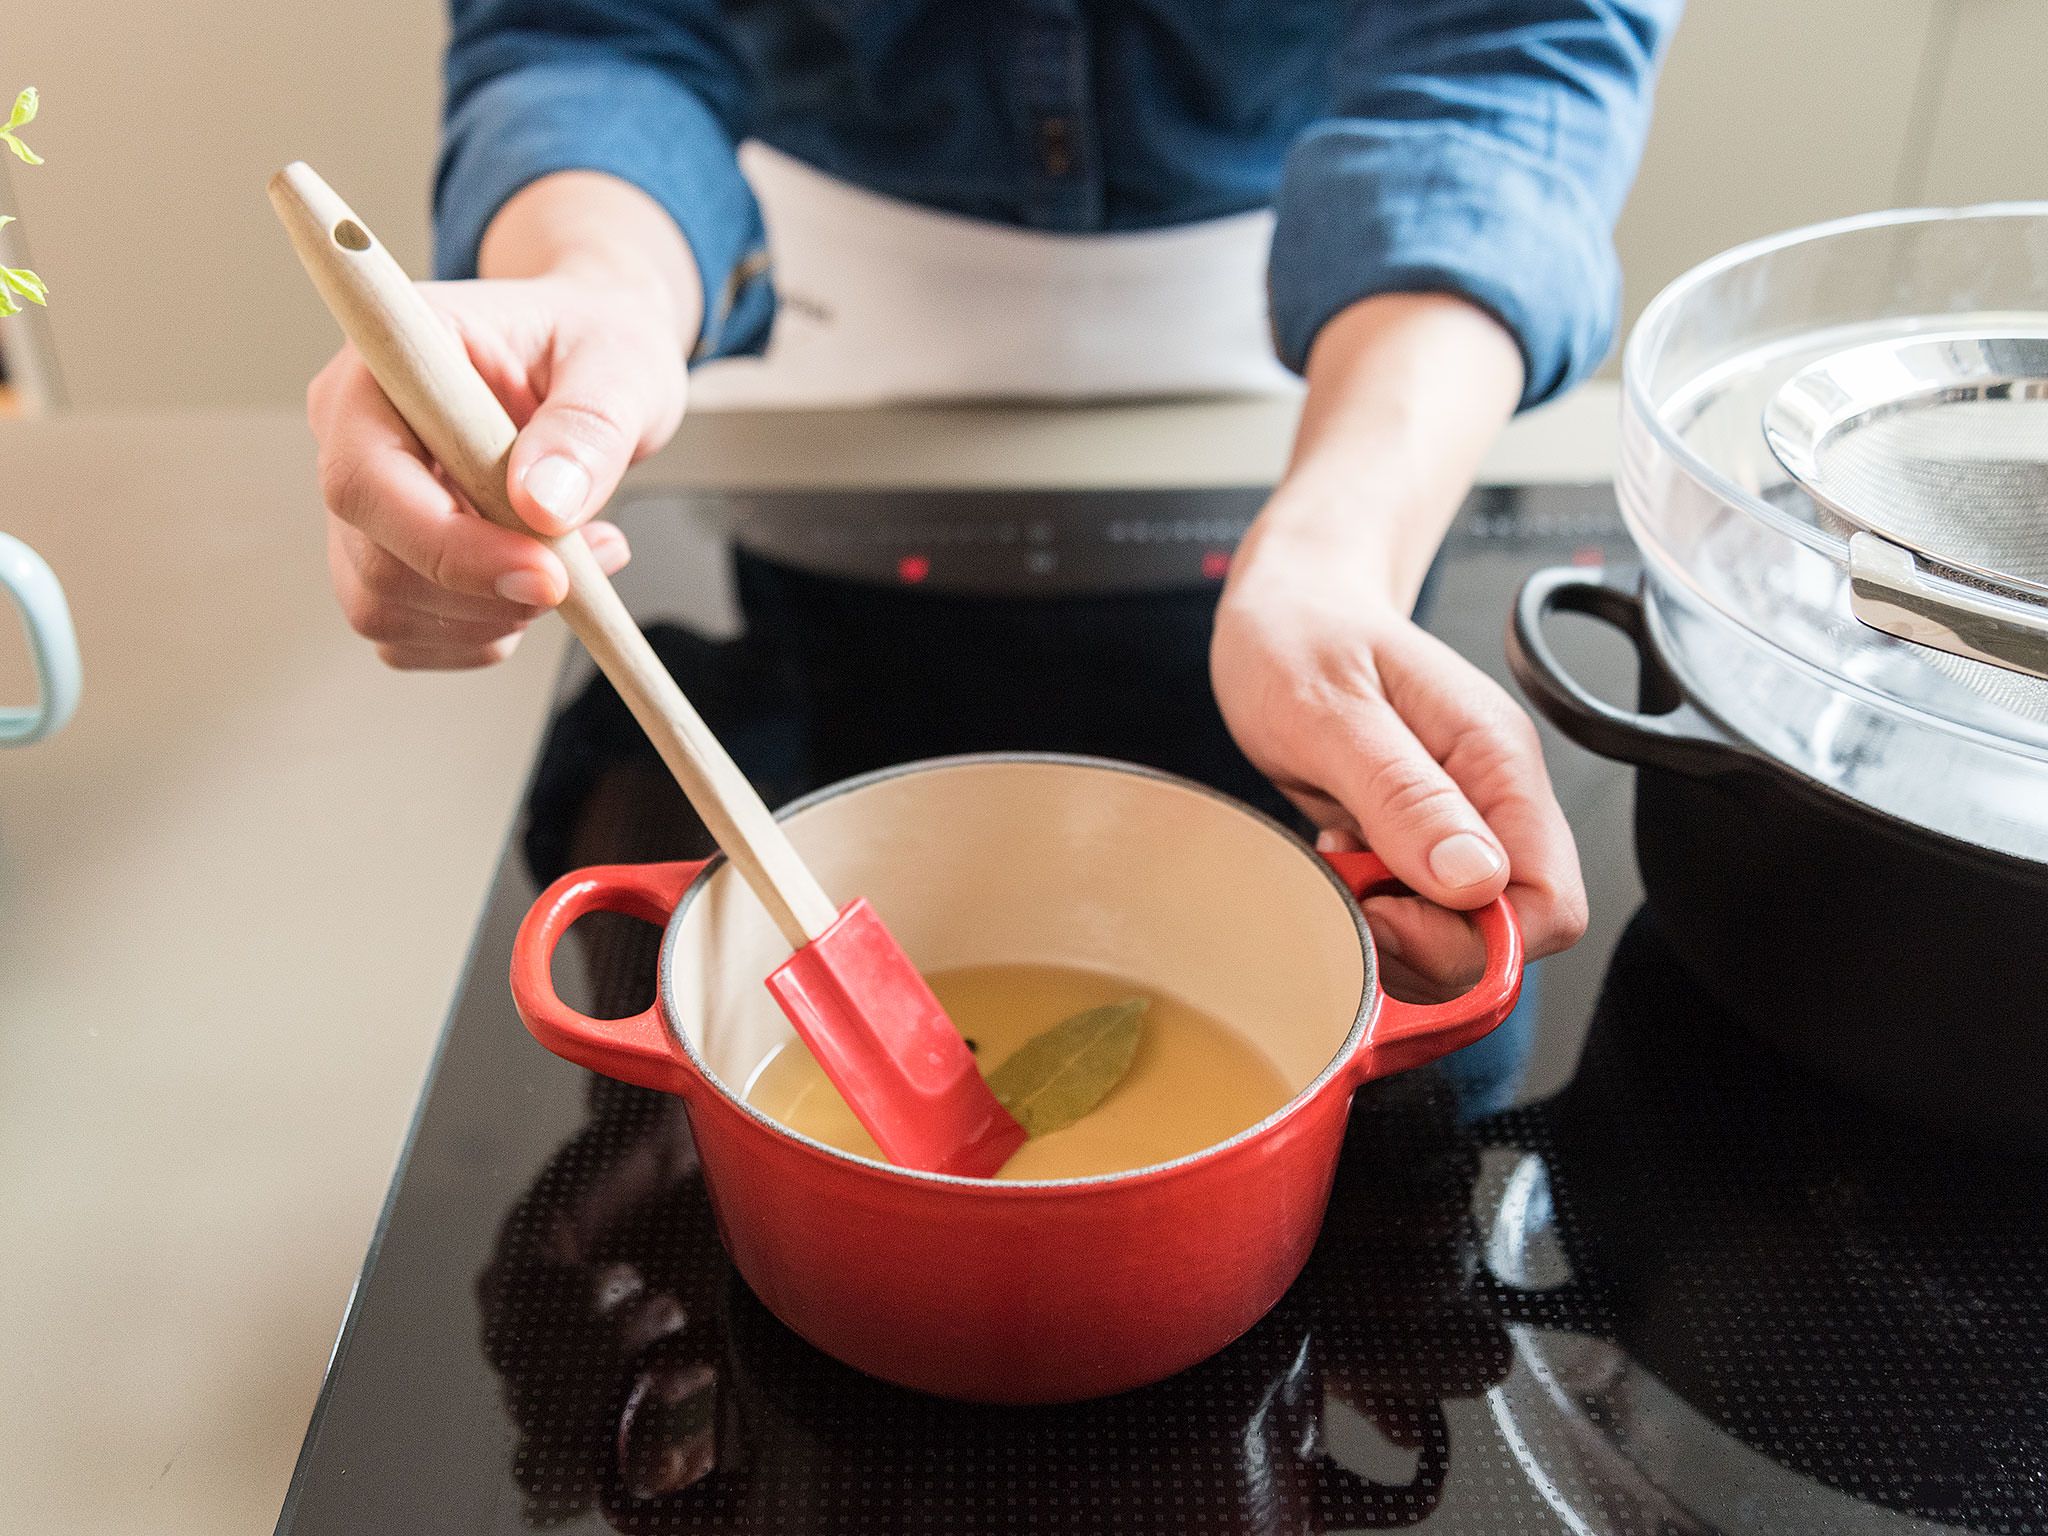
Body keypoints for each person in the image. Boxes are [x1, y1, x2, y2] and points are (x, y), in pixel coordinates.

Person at [304, 0, 1679, 1098]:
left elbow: (1508, 50)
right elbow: (593, 28)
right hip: (791, 337)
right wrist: (588, 299)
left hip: (1362, 380)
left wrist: (1342, 544)